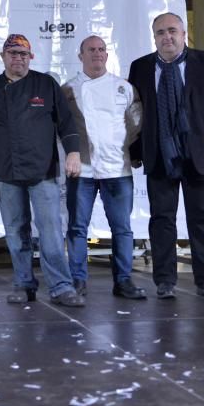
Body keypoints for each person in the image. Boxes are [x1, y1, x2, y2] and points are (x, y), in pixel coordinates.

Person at [0, 33, 84, 307]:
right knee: (15, 230)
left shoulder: (46, 84)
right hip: (5, 171)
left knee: (51, 230)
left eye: (23, 54)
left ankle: (61, 286)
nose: (17, 58)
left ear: (31, 57)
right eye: (12, 53)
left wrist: (74, 153)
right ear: (3, 56)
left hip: (42, 169)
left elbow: (66, 123)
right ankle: (23, 283)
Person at [128, 12, 204, 300]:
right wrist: (135, 152)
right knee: (161, 219)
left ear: (184, 33)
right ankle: (165, 281)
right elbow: (135, 115)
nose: (167, 37)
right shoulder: (140, 67)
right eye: (161, 32)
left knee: (200, 220)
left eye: (172, 30)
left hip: (198, 153)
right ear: (154, 37)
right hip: (160, 154)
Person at [62, 36, 145, 300]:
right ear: (81, 56)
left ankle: (123, 281)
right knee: (77, 227)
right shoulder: (68, 90)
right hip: (82, 171)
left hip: (118, 169)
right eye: (91, 50)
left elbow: (135, 122)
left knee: (122, 228)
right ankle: (77, 281)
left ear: (106, 55)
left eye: (101, 50)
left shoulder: (124, 87)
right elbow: (62, 129)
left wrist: (122, 146)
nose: (97, 54)